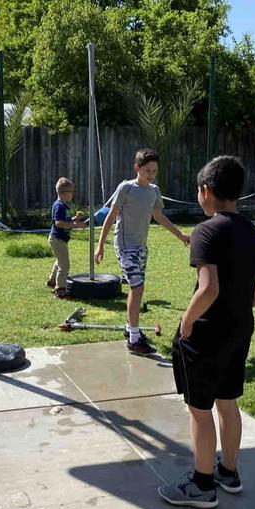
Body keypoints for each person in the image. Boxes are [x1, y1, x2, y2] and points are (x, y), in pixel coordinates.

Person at [158, 155, 255, 509]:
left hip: (207, 335)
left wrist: (187, 321)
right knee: (228, 403)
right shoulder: (251, 231)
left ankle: (202, 484)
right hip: (240, 332)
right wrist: (244, 305)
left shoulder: (206, 231)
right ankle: (228, 471)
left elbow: (207, 289)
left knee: (199, 409)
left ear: (206, 191)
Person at [94, 148, 189, 355]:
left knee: (135, 290)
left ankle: (131, 329)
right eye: (147, 170)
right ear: (137, 168)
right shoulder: (126, 188)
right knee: (137, 289)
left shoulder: (154, 191)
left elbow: (159, 216)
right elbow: (111, 216)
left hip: (141, 248)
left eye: (154, 171)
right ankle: (135, 339)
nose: (151, 174)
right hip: (124, 246)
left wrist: (180, 235)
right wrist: (100, 245)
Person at [47, 177, 85, 300]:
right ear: (63, 193)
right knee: (65, 265)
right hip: (57, 239)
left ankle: (52, 282)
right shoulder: (59, 206)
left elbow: (66, 220)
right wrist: (75, 225)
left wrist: (75, 218)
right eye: (71, 192)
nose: (72, 194)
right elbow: (58, 223)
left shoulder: (64, 205)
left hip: (60, 239)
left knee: (59, 261)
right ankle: (60, 291)